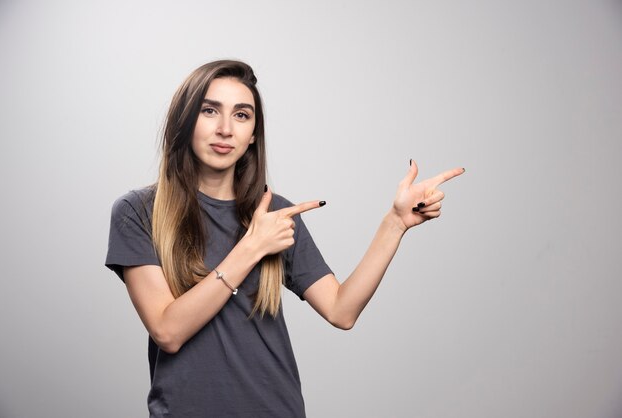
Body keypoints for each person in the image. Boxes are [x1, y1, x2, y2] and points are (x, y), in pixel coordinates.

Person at [105, 59, 464, 418]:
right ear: (185, 121)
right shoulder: (138, 211)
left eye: (242, 115)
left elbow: (342, 310)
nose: (226, 129)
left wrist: (395, 223)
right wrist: (252, 246)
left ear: (253, 135)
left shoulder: (275, 213)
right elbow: (168, 331)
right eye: (210, 110)